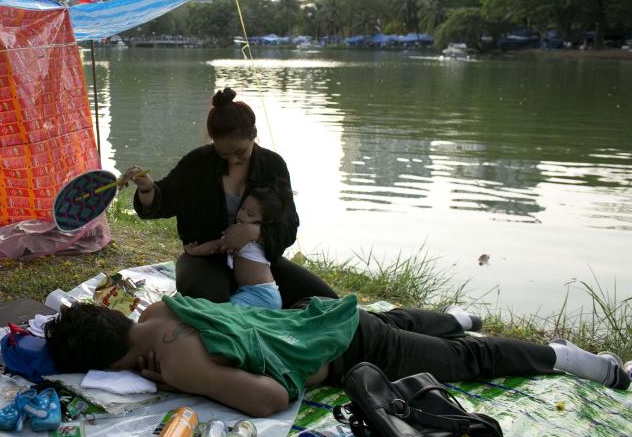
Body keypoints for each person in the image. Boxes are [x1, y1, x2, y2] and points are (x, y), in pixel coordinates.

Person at [45, 295, 631, 418]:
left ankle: (574, 359)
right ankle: (460, 315)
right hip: (314, 317)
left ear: (113, 365)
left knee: (465, 362)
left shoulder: (176, 363)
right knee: (395, 322)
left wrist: (184, 386)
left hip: (348, 347)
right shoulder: (152, 314)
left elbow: (275, 399)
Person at [121, 87, 336, 308]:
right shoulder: (198, 163)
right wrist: (147, 188)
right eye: (224, 154)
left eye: (240, 153)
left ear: (253, 133)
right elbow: (162, 201)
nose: (232, 160)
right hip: (204, 258)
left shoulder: (272, 166)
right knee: (212, 305)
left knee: (326, 302)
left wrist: (255, 232)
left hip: (257, 260)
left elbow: (289, 226)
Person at [184, 186, 287, 309]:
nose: (242, 215)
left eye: (250, 214)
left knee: (223, 312)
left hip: (261, 295)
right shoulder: (258, 240)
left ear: (262, 223)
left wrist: (194, 251)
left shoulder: (243, 237)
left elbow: (216, 245)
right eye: (242, 208)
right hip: (265, 294)